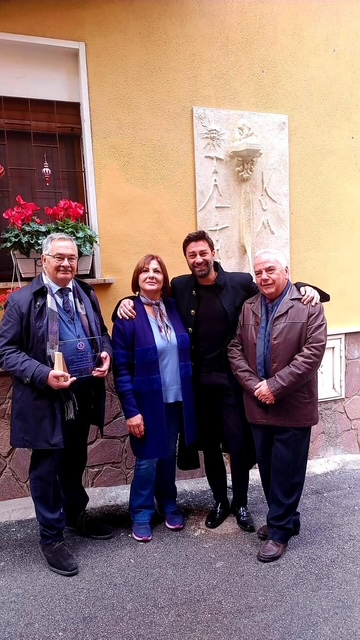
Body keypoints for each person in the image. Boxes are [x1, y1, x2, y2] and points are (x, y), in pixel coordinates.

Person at [116, 231, 329, 533]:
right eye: (192, 255)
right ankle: (219, 501)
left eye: (203, 253)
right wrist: (123, 302)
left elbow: (275, 289)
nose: (198, 259)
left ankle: (240, 502)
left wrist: (306, 288)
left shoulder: (241, 282)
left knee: (238, 445)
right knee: (209, 447)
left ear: (213, 253)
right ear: (187, 259)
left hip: (233, 382)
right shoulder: (180, 285)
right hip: (197, 386)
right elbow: (148, 298)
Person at [0, 233, 113, 577]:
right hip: (45, 399)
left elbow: (102, 334)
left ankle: (76, 515)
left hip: (81, 394)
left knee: (76, 459)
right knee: (46, 470)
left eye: (72, 257)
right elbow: (6, 351)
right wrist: (43, 374)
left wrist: (106, 353)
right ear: (44, 260)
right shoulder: (23, 300)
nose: (67, 263)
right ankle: (51, 536)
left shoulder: (86, 293)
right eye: (59, 257)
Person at [228, 249, 327, 562]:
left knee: (288, 470)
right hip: (259, 404)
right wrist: (255, 386)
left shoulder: (308, 305)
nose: (263, 278)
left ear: (286, 270)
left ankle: (280, 530)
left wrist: (275, 385)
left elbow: (312, 353)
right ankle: (285, 518)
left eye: (269, 270)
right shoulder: (249, 307)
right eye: (258, 273)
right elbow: (234, 350)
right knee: (269, 469)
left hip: (292, 405)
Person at [112, 254, 197, 543]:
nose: (151, 275)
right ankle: (141, 512)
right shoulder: (128, 315)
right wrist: (131, 411)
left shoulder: (173, 308)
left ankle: (168, 503)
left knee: (167, 454)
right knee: (147, 458)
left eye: (157, 271)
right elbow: (121, 368)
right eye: (145, 271)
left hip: (176, 399)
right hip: (146, 402)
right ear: (137, 278)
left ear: (164, 279)